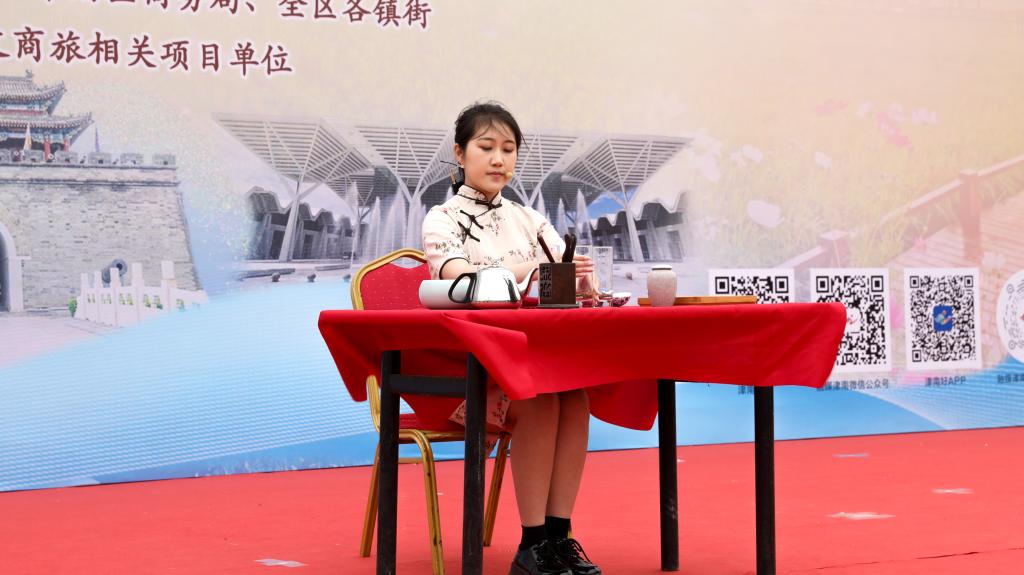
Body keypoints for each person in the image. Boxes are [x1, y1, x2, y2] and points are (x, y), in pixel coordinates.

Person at [421, 102, 601, 575]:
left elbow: (567, 285)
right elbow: (460, 280)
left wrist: (581, 278)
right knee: (538, 399)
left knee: (574, 397)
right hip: (469, 370)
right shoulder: (442, 219)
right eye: (486, 147)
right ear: (459, 153)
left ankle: (559, 538)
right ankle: (532, 543)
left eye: (508, 149)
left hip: (534, 363)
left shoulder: (530, 219)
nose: (498, 159)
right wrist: (535, 268)